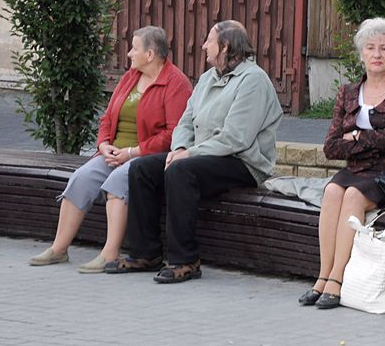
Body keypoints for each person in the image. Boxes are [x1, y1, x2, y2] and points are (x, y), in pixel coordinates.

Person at [105, 20, 283, 283]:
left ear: (224, 46)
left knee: (180, 171)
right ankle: (146, 253)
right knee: (142, 168)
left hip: (242, 162)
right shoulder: (209, 78)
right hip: (202, 156)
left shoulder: (253, 80)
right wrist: (178, 148)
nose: (203, 46)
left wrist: (189, 154)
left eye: (208, 41)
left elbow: (236, 138)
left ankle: (185, 260)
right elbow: (186, 121)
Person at [29, 26, 192, 272]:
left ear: (150, 54)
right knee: (81, 178)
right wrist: (103, 144)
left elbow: (173, 133)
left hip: (146, 157)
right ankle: (59, 249)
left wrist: (132, 152)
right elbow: (107, 117)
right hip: (114, 152)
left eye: (134, 48)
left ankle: (110, 253)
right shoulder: (130, 77)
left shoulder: (175, 83)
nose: (128, 54)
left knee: (116, 182)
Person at [298, 18, 385, 309]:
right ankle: (322, 276)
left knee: (353, 195)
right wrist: (369, 139)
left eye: (384, 48)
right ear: (362, 54)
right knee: (332, 191)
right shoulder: (347, 92)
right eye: (370, 48)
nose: (377, 54)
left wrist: (356, 136)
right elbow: (330, 147)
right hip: (357, 169)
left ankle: (337, 280)